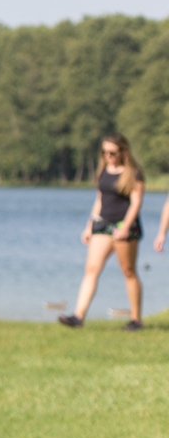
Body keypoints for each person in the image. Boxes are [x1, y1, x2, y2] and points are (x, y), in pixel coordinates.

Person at [61, 134, 144, 330]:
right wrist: (89, 226)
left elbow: (136, 203)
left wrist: (125, 228)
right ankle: (78, 316)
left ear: (123, 152)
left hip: (125, 227)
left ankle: (136, 320)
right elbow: (100, 200)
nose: (108, 156)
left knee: (128, 271)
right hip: (103, 225)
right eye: (104, 152)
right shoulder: (104, 171)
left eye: (112, 153)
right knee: (91, 269)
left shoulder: (134, 173)